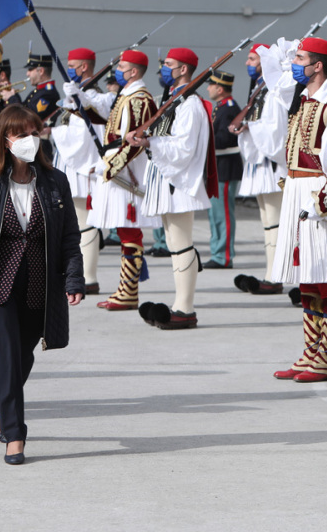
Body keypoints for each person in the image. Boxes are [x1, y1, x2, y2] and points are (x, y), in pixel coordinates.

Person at [0, 104, 85, 465]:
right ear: (4, 139)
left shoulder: (55, 181)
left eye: (33, 132)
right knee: (5, 360)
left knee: (23, 359)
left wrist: (74, 278)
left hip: (38, 283)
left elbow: (70, 236)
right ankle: (15, 434)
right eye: (20, 133)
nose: (29, 140)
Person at [262, 36, 327, 382]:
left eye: (301, 58)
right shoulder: (304, 101)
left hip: (320, 196)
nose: (296, 64)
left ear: (318, 65)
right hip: (296, 191)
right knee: (307, 278)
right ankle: (310, 352)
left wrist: (322, 201)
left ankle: (326, 357)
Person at [125, 47, 215, 330]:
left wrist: (150, 143)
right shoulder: (176, 99)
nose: (164, 69)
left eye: (169, 64)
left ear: (184, 69)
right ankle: (181, 304)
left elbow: (184, 148)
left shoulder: (190, 104)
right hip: (166, 179)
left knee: (181, 243)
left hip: (180, 181)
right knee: (176, 245)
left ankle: (185, 308)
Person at [89, 49, 161, 310]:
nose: (117, 69)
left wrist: (110, 167)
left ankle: (129, 292)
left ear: (133, 72)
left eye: (122, 66)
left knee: (129, 231)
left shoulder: (138, 98)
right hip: (118, 168)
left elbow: (135, 142)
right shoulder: (128, 95)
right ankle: (126, 289)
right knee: (124, 230)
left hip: (126, 172)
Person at [51, 47, 114, 295]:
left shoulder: (94, 97)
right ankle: (81, 273)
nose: (69, 69)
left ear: (84, 67)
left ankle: (89, 277)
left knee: (83, 221)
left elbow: (82, 136)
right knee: (75, 222)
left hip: (81, 166)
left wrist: (51, 133)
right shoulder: (79, 95)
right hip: (70, 164)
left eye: (72, 65)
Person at [231, 43, 288, 296]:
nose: (248, 63)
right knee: (268, 221)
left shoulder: (273, 91)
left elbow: (276, 128)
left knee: (274, 221)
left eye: (253, 59)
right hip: (261, 162)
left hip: (273, 163)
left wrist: (250, 126)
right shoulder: (260, 90)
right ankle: (270, 272)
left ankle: (275, 276)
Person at [204, 69, 242, 269]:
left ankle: (223, 256)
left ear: (219, 89)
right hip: (218, 168)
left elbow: (225, 139)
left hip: (225, 168)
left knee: (223, 214)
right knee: (215, 214)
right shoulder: (221, 107)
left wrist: (202, 138)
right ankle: (217, 252)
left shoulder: (228, 109)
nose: (208, 88)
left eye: (211, 85)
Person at [21, 53, 59, 123]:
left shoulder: (48, 93)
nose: (27, 74)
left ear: (41, 71)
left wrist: (12, 98)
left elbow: (33, 116)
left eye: (30, 69)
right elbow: (23, 107)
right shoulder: (38, 91)